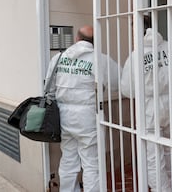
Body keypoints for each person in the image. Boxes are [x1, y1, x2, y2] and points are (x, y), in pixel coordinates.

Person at [120, 16, 172, 192]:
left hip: (150, 107)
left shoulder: (136, 55)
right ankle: (170, 187)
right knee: (169, 148)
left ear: (136, 31)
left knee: (153, 156)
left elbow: (127, 90)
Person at [45, 25, 120, 192]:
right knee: (92, 164)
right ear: (95, 42)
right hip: (87, 116)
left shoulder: (58, 58)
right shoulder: (99, 59)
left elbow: (49, 90)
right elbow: (119, 83)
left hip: (63, 116)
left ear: (77, 39)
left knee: (68, 161)